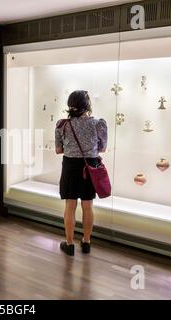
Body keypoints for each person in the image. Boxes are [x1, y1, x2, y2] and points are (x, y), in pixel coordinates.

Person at [55, 90, 107, 256]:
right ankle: (86, 242)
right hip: (89, 167)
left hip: (70, 166)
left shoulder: (62, 124)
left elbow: (58, 150)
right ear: (87, 105)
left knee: (70, 206)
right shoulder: (99, 123)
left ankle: (69, 244)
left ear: (70, 105)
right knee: (87, 206)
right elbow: (102, 148)